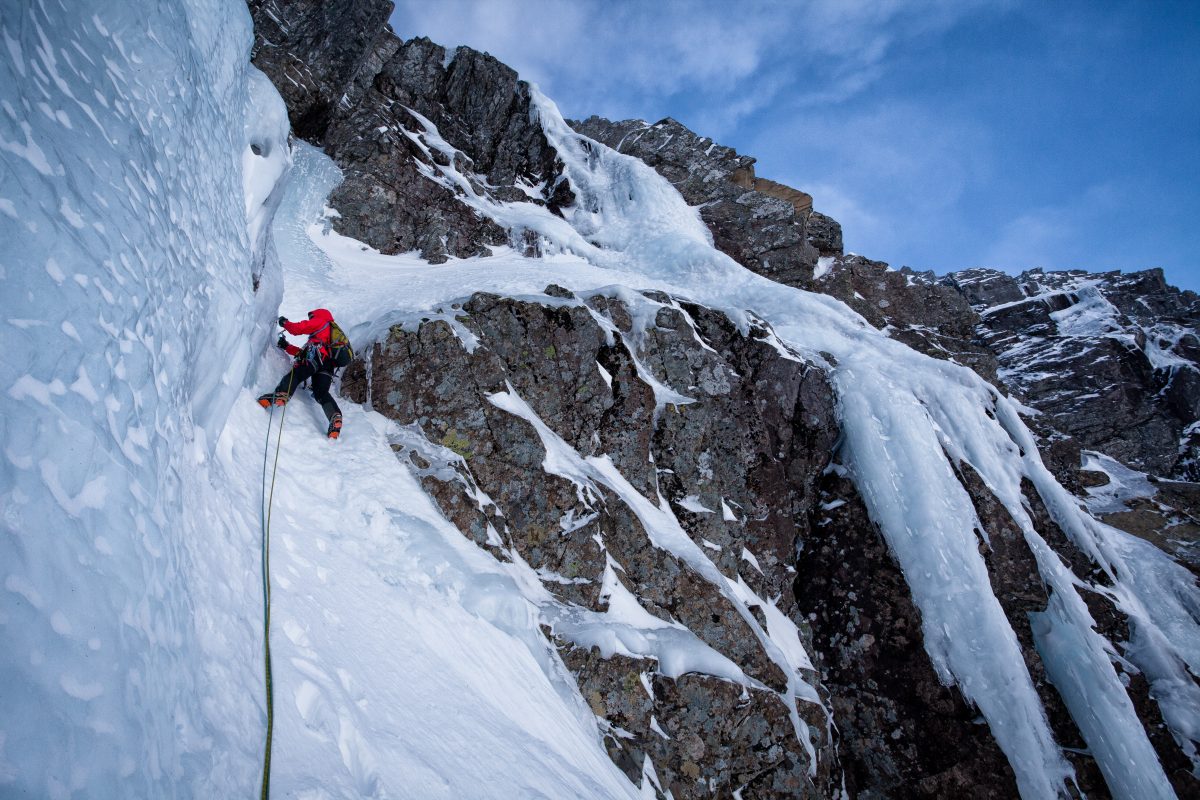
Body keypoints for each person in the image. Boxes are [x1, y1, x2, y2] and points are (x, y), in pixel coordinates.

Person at [257, 308, 344, 439]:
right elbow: (302, 354)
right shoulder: (325, 338)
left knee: (296, 374)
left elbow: (299, 328)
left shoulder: (321, 321)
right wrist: (286, 346)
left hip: (316, 358)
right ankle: (334, 416)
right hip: (327, 366)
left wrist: (285, 323)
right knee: (321, 393)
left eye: (312, 317)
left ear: (318, 314)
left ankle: (282, 394)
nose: (311, 319)